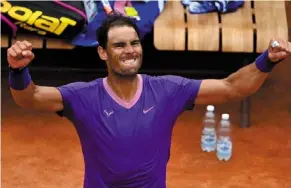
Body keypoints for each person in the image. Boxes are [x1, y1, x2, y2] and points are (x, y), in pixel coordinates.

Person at [7, 13, 291, 188]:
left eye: (134, 43)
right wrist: (18, 70)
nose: (130, 51)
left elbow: (232, 88)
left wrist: (266, 61)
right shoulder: (82, 96)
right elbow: (30, 98)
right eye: (119, 45)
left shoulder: (168, 90)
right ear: (103, 53)